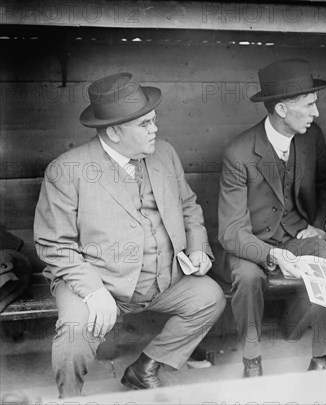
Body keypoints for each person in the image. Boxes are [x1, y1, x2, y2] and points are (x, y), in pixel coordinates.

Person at [34, 73, 226, 398]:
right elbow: (55, 245)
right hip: (99, 283)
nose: (155, 129)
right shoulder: (67, 170)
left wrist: (197, 249)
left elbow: (189, 206)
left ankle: (145, 368)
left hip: (164, 280)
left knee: (210, 298)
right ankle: (69, 397)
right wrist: (94, 293)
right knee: (74, 333)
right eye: (145, 124)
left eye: (154, 121)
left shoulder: (164, 153)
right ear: (114, 131)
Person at [218, 58, 326, 377]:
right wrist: (271, 254)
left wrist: (318, 223)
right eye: (309, 104)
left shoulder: (311, 136)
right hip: (252, 243)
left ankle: (320, 357)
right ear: (281, 110)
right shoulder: (239, 153)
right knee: (248, 278)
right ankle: (252, 360)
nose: (316, 112)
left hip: (296, 235)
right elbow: (232, 232)